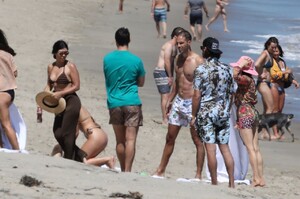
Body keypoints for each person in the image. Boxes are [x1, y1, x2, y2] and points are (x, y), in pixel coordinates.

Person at [153, 30, 205, 179]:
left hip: (193, 103)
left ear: (189, 42)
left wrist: (199, 109)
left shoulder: (198, 61)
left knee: (197, 140)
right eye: (177, 43)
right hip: (179, 102)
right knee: (170, 137)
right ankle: (160, 170)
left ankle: (198, 175)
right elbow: (177, 82)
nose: (179, 46)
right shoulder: (177, 60)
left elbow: (203, 86)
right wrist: (170, 99)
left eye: (182, 43)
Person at [191, 37, 235, 188]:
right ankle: (231, 182)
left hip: (207, 112)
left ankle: (214, 182)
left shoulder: (201, 69)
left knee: (210, 148)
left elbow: (196, 95)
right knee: (225, 147)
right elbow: (232, 92)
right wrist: (227, 109)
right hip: (223, 111)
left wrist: (194, 115)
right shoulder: (228, 69)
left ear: (205, 49)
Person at [103, 27, 146, 172]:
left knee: (119, 140)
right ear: (129, 40)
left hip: (114, 102)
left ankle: (122, 168)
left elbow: (108, 77)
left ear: (116, 41)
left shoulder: (107, 59)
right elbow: (141, 82)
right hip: (132, 101)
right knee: (131, 139)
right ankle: (127, 170)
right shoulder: (136, 60)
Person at [44, 40, 86, 162]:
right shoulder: (50, 67)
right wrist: (41, 102)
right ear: (55, 53)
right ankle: (79, 154)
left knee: (67, 133)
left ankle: (68, 160)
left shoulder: (70, 66)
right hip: (58, 101)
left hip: (71, 99)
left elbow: (76, 85)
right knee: (57, 132)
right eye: (61, 53)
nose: (64, 55)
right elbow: (48, 86)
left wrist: (61, 93)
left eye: (66, 53)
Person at [230, 56, 265, 187]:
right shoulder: (251, 80)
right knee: (255, 148)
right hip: (253, 112)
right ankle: (260, 178)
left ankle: (256, 178)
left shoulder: (245, 79)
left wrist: (241, 65)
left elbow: (234, 75)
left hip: (245, 113)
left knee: (250, 149)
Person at [51, 106, 116, 169]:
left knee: (77, 162)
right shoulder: (77, 105)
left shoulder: (70, 108)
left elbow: (75, 132)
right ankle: (106, 160)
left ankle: (106, 160)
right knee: (81, 159)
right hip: (99, 134)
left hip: (95, 137)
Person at [153, 27, 184, 124]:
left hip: (166, 72)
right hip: (161, 71)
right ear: (175, 36)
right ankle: (164, 119)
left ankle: (166, 116)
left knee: (167, 96)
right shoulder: (169, 45)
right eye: (180, 36)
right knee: (165, 96)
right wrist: (170, 76)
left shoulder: (175, 46)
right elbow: (167, 60)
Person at [255, 37, 279, 139]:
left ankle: (262, 132)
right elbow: (256, 64)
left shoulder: (269, 54)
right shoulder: (265, 53)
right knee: (270, 108)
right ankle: (264, 132)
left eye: (275, 47)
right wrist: (260, 74)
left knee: (267, 109)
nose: (274, 49)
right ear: (267, 45)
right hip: (263, 83)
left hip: (266, 83)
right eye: (272, 47)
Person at [0, 29, 19, 150]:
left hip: (1, 91)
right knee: (4, 123)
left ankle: (17, 150)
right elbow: (15, 73)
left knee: (6, 124)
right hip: (9, 91)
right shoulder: (8, 54)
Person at [270, 45, 299, 114]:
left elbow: (287, 76)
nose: (275, 53)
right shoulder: (271, 62)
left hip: (282, 87)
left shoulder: (282, 61)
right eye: (273, 52)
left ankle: (277, 124)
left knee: (280, 110)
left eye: (277, 51)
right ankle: (272, 124)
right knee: (275, 110)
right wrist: (285, 72)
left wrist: (294, 82)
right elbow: (274, 76)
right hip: (274, 86)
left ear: (280, 52)